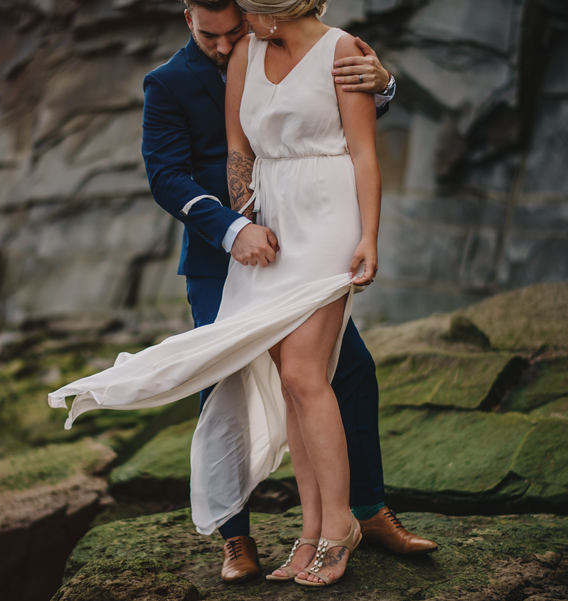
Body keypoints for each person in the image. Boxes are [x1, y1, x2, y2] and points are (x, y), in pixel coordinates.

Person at [48, 0, 436, 586]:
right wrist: (236, 227)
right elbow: (167, 175)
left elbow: (341, 114)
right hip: (222, 255)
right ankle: (236, 538)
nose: (226, 44)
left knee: (343, 374)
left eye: (236, 28)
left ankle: (365, 513)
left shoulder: (301, 44)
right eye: (212, 35)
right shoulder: (169, 82)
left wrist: (383, 85)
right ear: (187, 18)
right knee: (224, 377)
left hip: (310, 234)